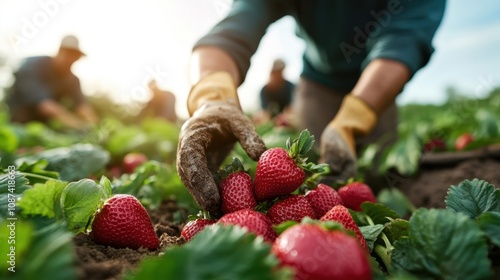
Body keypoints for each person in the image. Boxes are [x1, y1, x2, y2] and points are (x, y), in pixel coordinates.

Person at [177, 0, 446, 213]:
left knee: (380, 170)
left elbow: (402, 43)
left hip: (378, 87)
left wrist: (353, 120)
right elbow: (233, 30)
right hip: (317, 84)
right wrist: (213, 100)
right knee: (317, 172)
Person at [6, 35, 98, 129]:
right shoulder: (33, 66)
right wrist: (77, 124)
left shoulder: (72, 79)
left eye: (75, 57)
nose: (71, 60)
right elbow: (45, 106)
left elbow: (82, 106)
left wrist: (94, 125)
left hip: (43, 126)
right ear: (60, 51)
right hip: (18, 121)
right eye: (69, 55)